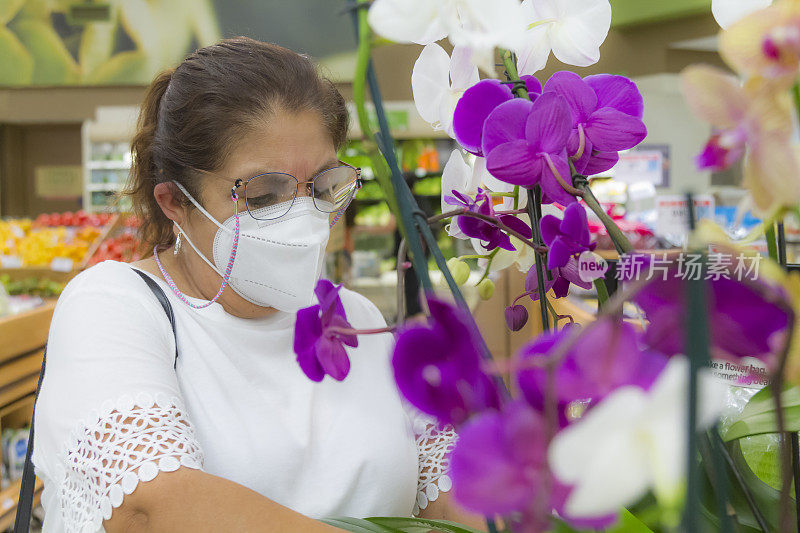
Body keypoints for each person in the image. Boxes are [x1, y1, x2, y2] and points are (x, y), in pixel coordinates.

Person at [32, 37, 480, 532]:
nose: (305, 216)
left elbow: (446, 481)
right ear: (174, 202)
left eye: (326, 186)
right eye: (265, 194)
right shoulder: (113, 305)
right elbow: (151, 507)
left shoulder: (357, 319)